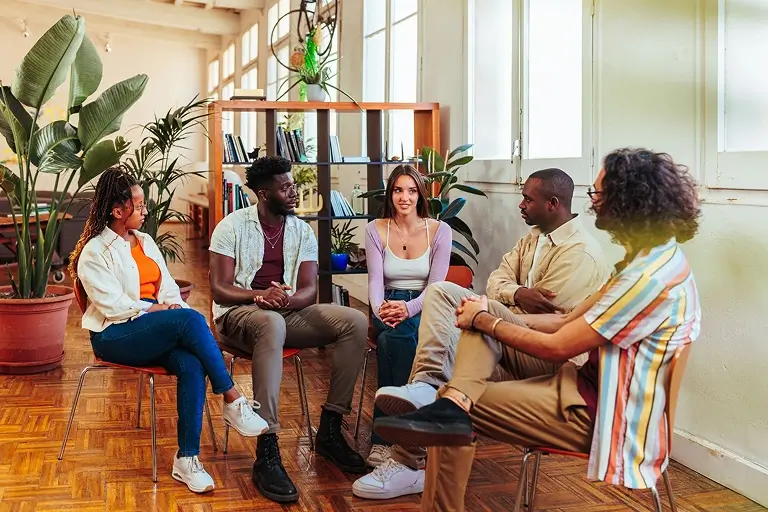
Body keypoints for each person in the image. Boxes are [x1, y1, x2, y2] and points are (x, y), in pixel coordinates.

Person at [374, 148, 702, 512]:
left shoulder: (644, 279)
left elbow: (558, 344)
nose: (592, 202)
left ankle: (442, 405)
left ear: (629, 201)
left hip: (607, 413)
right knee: (462, 347)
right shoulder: (653, 261)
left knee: (453, 404)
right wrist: (489, 311)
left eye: (599, 194)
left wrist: (485, 319)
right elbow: (564, 319)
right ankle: (439, 393)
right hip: (588, 387)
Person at [352, 167, 611, 500]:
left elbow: (549, 320)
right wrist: (516, 295)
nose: (520, 205)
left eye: (527, 199)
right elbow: (494, 281)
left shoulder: (580, 254)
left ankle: (408, 457)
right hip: (508, 340)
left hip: (545, 356)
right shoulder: (532, 237)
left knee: (448, 349)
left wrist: (491, 317)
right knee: (444, 301)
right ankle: (419, 415)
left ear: (552, 203)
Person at [70, 166, 268, 495]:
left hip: (154, 325)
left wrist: (171, 307)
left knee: (191, 363)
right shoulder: (94, 252)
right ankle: (232, 398)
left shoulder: (145, 241)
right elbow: (114, 307)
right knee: (188, 320)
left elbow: (169, 290)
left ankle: (186, 459)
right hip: (115, 333)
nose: (145, 210)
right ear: (118, 211)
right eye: (139, 204)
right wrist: (162, 310)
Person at [208, 156, 368, 504]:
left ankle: (329, 429)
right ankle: (267, 445)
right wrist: (259, 295)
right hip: (237, 316)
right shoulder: (231, 226)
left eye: (293, 185)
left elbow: (309, 290)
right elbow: (220, 288)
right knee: (269, 322)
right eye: (286, 187)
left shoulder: (301, 231)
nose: (294, 192)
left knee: (354, 321)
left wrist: (282, 300)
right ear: (264, 194)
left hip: (284, 313)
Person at [364, 164, 452, 468]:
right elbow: (375, 282)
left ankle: (384, 439)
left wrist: (409, 308)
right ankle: (412, 431)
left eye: (412, 191)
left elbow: (436, 287)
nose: (405, 197)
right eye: (399, 190)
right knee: (396, 335)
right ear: (390, 194)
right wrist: (380, 310)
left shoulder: (440, 230)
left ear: (420, 194)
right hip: (386, 304)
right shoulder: (375, 228)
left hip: (426, 304)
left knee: (392, 341)